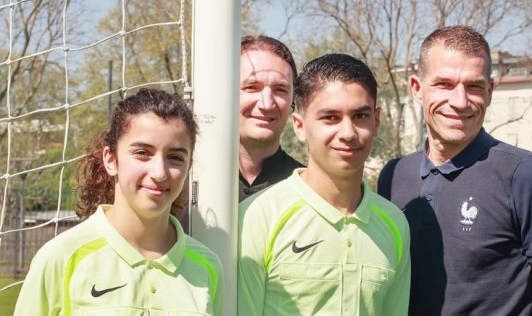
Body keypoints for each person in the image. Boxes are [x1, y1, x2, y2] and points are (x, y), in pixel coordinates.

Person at [377, 25, 532, 315]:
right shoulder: (393, 176)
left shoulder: (525, 175)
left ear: (490, 91)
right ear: (417, 89)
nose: (460, 102)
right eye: (444, 84)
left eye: (473, 86)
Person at [14, 88, 224, 315]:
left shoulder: (207, 266)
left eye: (175, 157)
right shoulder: (63, 257)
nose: (159, 172)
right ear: (111, 159)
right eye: (143, 152)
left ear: (188, 167)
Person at [238, 53, 410, 315]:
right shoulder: (258, 216)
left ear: (376, 121)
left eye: (360, 116)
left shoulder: (394, 223)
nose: (348, 133)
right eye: (330, 117)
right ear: (299, 126)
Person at [238, 35, 304, 202]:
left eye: (280, 89)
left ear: (293, 102)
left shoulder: (309, 189)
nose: (267, 104)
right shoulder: (186, 184)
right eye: (251, 87)